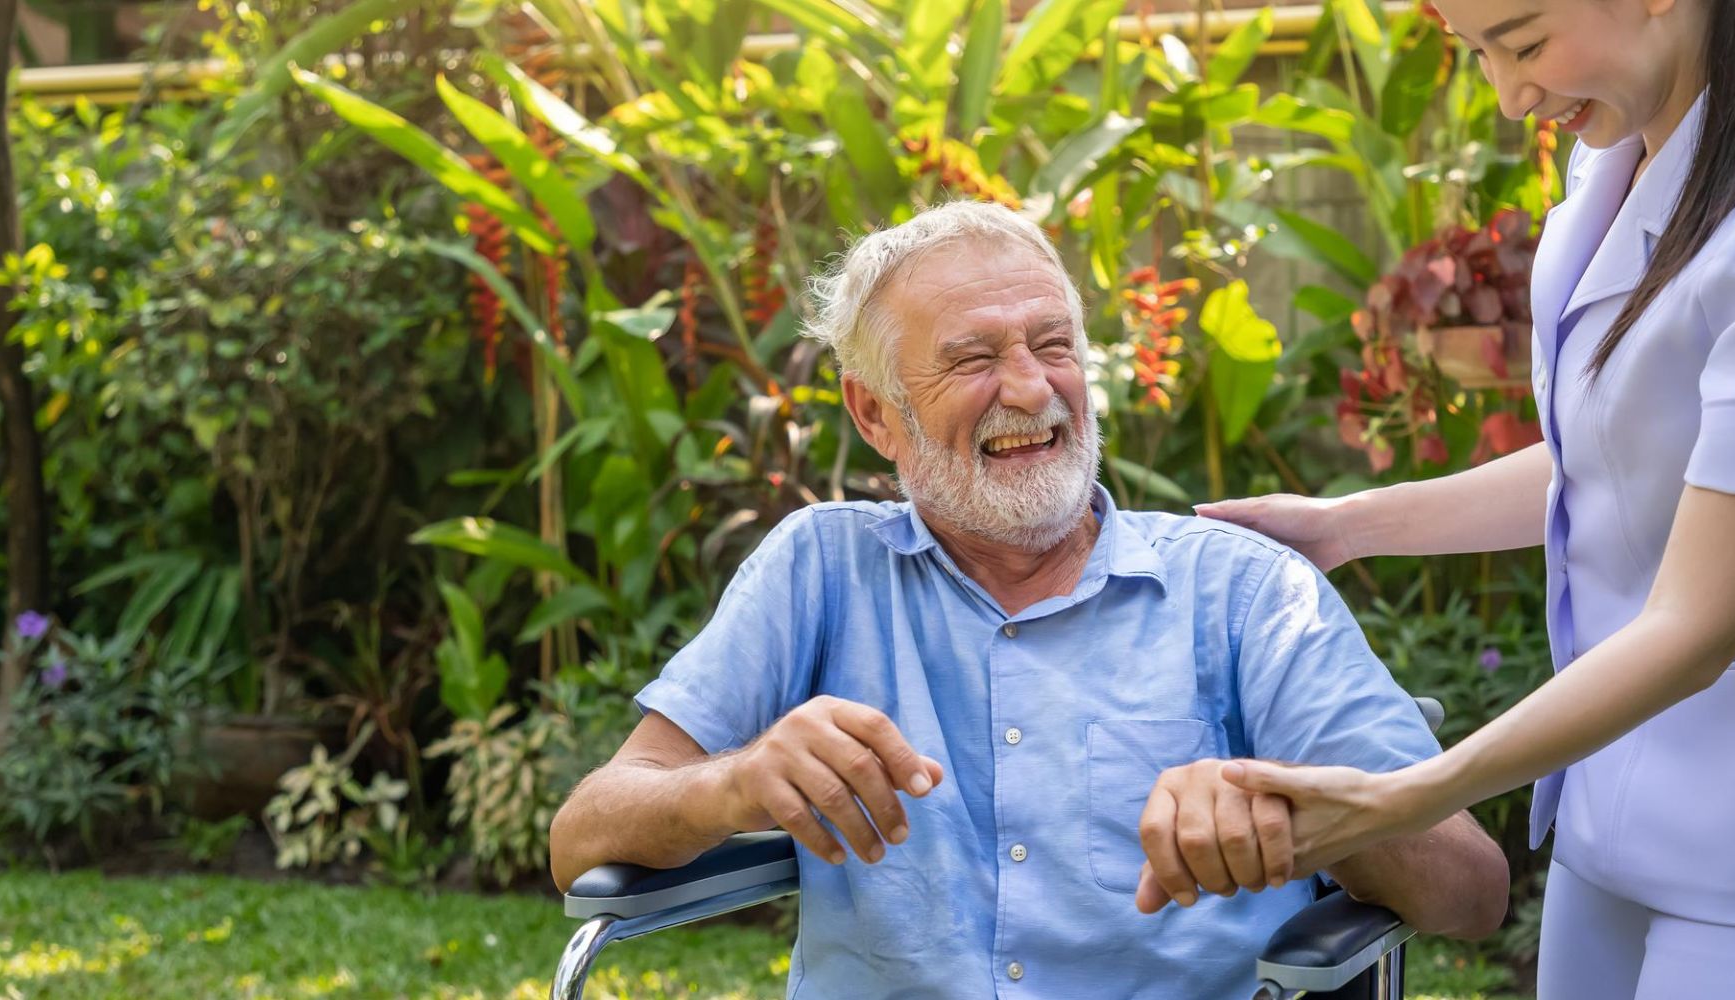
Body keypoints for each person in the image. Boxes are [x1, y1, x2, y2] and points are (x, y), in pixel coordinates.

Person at [547, 201, 1509, 999]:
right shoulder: (817, 569)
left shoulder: (1242, 590)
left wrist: (1310, 812)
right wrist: (735, 781)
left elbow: (1471, 894)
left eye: (1054, 345)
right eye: (973, 359)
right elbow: (583, 834)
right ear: (876, 412)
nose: (1029, 387)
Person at [1197, 0, 1735, 996]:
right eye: (1479, 51)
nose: (1508, 93)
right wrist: (1344, 527)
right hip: (1613, 818)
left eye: (1526, 42)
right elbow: (1616, 458)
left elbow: (1696, 625)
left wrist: (1406, 798)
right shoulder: (1622, 150)